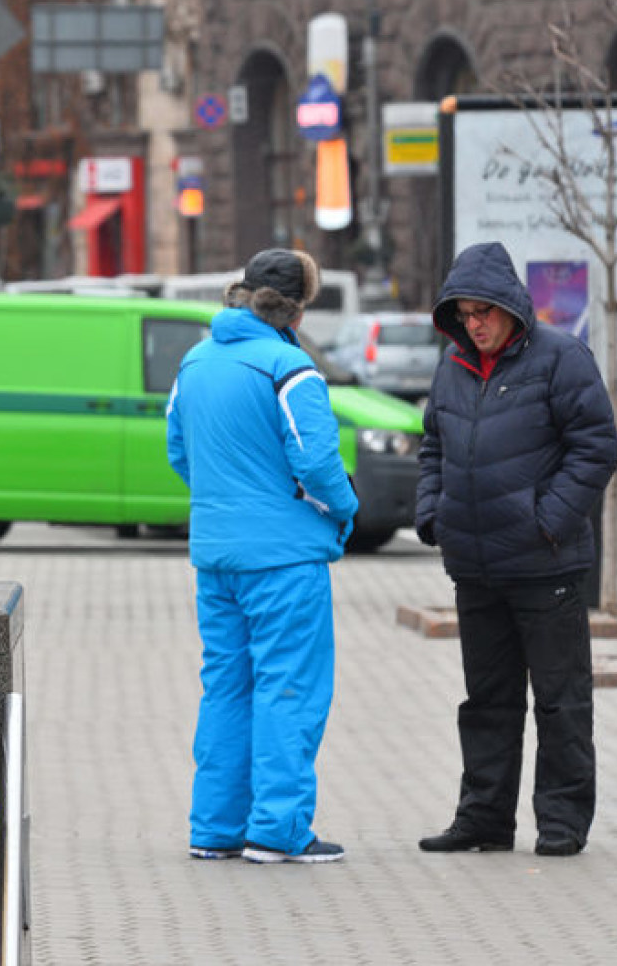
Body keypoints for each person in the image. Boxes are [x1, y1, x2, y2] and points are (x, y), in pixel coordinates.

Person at [415, 241, 617, 858]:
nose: (475, 324)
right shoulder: (452, 366)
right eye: (465, 314)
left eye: (484, 312)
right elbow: (433, 448)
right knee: (486, 703)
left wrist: (548, 520)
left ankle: (561, 822)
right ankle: (483, 818)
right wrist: (432, 515)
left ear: (510, 307)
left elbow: (596, 448)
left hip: (546, 565)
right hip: (476, 567)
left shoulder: (561, 358)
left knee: (560, 702)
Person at [166, 248, 358, 865]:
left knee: (225, 687)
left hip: (216, 556)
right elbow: (318, 463)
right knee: (288, 689)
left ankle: (215, 829)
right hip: (282, 560)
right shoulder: (289, 367)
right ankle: (278, 831)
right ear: (296, 308)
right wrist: (344, 509)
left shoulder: (195, 362)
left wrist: (226, 500)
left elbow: (179, 450)